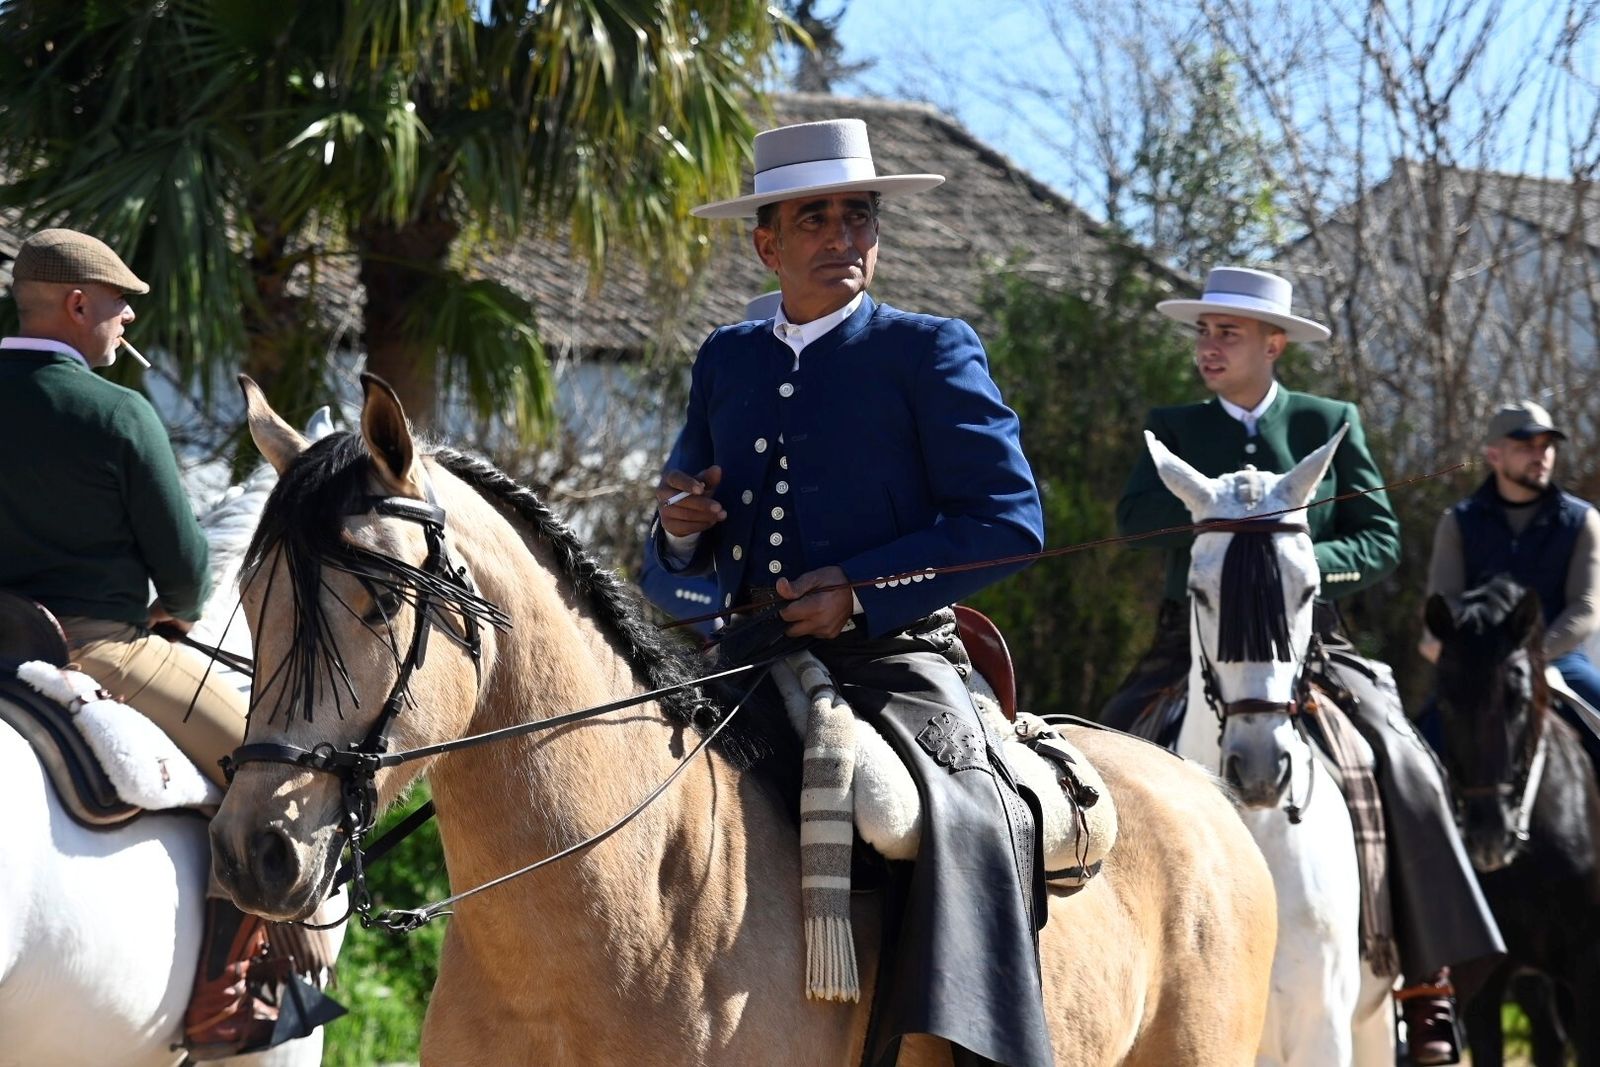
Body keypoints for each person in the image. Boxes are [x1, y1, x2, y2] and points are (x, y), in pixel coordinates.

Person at [652, 119, 1049, 1067]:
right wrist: (678, 531)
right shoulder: (727, 359)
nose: (842, 236)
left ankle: (974, 1047)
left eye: (858, 216)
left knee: (961, 817)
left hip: (896, 660)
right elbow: (672, 541)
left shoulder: (930, 351)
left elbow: (1009, 521)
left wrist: (862, 592)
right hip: (742, 660)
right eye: (815, 218)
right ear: (767, 242)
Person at [1107, 266, 1503, 1066]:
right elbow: (1136, 519)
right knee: (1102, 755)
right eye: (1204, 331)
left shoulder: (1330, 419)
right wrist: (1227, 548)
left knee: (1404, 758)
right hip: (1193, 639)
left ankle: (1424, 984)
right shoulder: (1172, 425)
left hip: (1312, 638)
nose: (1208, 347)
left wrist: (1293, 558)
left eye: (1228, 332)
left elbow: (1381, 535)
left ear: (1272, 342)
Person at [0, 228, 304, 1059]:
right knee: (273, 771)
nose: (128, 317)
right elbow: (187, 572)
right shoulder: (115, 412)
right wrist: (172, 607)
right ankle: (231, 1003)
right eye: (118, 302)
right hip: (97, 650)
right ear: (76, 304)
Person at [1421, 401, 1600, 760]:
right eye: (1525, 446)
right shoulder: (1458, 522)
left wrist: (1526, 658)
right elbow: (1445, 601)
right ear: (1494, 455)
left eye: (1546, 446)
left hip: (1559, 662)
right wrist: (1477, 656)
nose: (1540, 456)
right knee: (1419, 751)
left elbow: (1586, 609)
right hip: (1476, 667)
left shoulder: (1583, 521)